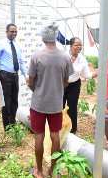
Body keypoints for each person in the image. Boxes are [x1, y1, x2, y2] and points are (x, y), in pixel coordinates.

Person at [28, 22, 74, 178]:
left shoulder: (36, 57)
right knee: (55, 136)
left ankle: (39, 171)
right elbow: (66, 81)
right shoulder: (65, 57)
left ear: (43, 38)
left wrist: (39, 91)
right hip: (55, 104)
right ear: (55, 38)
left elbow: (30, 81)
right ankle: (53, 171)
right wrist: (56, 90)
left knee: (39, 135)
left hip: (38, 104)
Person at [0, 23, 28, 131]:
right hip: (5, 76)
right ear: (6, 32)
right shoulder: (0, 45)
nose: (13, 33)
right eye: (11, 31)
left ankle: (13, 123)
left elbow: (21, 62)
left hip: (15, 76)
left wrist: (26, 75)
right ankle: (7, 127)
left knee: (14, 101)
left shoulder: (17, 46)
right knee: (6, 101)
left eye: (15, 32)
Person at [63, 37, 97, 134]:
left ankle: (72, 130)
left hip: (74, 85)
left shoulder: (82, 59)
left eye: (80, 45)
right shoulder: (63, 56)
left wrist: (95, 74)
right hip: (61, 85)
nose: (79, 47)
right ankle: (59, 127)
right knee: (59, 106)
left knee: (72, 107)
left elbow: (86, 74)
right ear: (70, 46)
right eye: (76, 45)